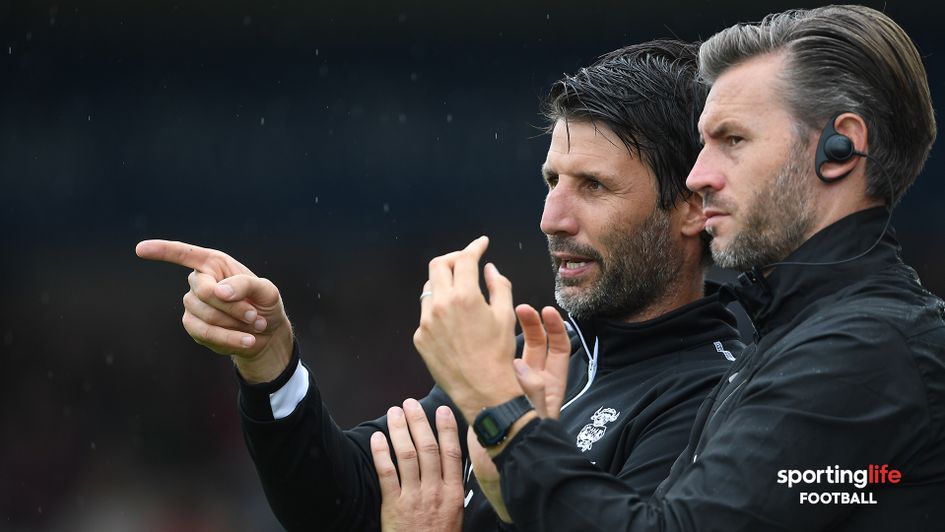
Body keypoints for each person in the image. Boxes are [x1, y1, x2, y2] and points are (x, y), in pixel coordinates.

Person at [136, 39, 744, 531]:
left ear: (692, 205)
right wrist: (271, 364)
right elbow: (339, 504)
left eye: (593, 186)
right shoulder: (526, 354)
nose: (551, 218)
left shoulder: (715, 398)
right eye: (551, 181)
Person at [411, 5, 945, 531]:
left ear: (841, 147)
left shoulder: (865, 350)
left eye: (732, 140)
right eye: (704, 142)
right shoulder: (793, 338)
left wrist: (498, 412)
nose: (698, 176)